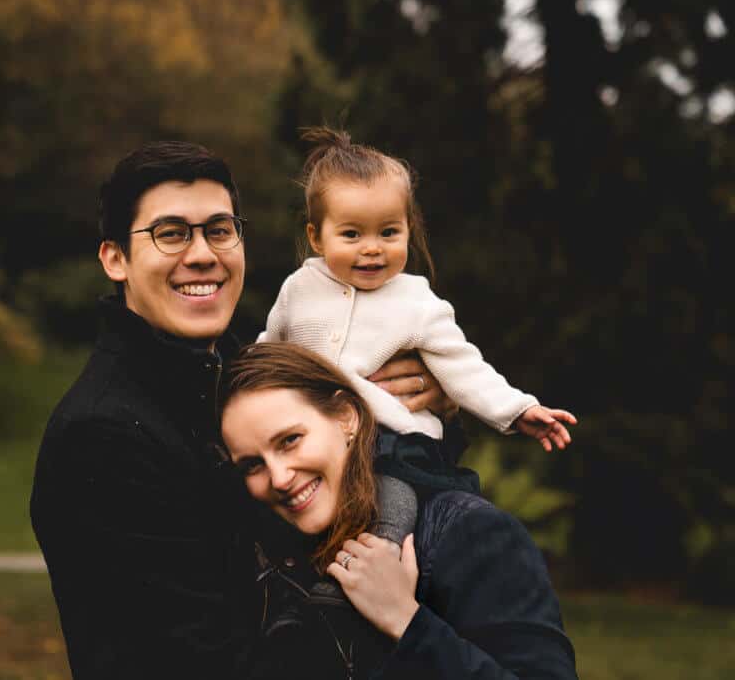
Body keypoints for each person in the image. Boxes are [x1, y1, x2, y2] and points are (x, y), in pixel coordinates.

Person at [29, 141, 455, 680]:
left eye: (220, 229)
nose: (204, 253)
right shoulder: (102, 433)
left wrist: (427, 403)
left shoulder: (247, 374)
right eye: (171, 233)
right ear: (116, 258)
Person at [220, 342, 578, 679]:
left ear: (347, 417)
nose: (279, 478)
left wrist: (406, 621)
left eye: (290, 441)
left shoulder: (467, 533)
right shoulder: (273, 563)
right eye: (253, 465)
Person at [258, 128, 576, 462]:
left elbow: (463, 365)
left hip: (396, 445)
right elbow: (268, 354)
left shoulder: (418, 302)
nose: (372, 248)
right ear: (317, 237)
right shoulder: (298, 288)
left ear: (408, 229)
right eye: (351, 234)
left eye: (389, 232)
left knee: (397, 505)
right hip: (313, 441)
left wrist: (519, 410)